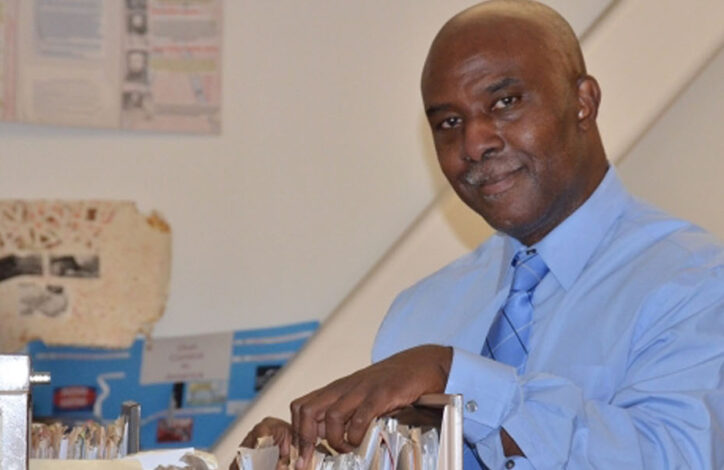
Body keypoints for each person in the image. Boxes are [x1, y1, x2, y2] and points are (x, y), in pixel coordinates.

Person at [237, 1, 724, 468]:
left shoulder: (696, 284)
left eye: (505, 102)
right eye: (449, 122)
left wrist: (460, 379)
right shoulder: (419, 313)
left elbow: (679, 459)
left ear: (583, 102)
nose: (474, 143)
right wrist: (303, 460)